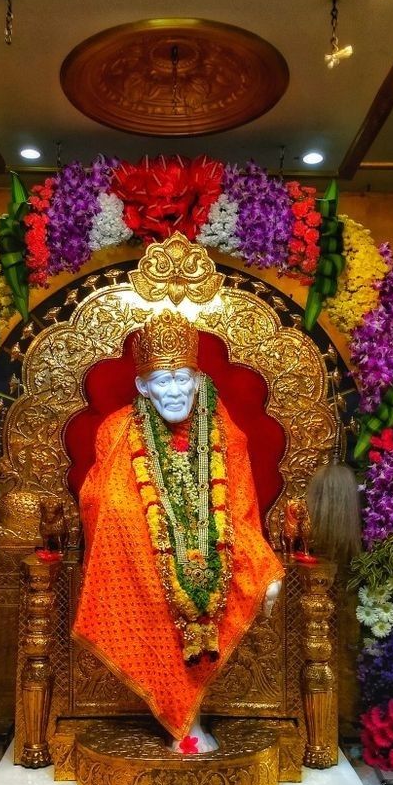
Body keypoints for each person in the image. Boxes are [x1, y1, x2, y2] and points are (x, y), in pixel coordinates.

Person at [72, 310, 283, 751]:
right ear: (142, 387)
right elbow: (102, 501)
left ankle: (194, 716)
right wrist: (148, 539)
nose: (174, 392)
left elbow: (241, 509)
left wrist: (262, 565)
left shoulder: (226, 432)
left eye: (182, 379)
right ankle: (180, 718)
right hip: (141, 564)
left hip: (214, 558)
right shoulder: (115, 430)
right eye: (162, 382)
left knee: (230, 580)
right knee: (155, 585)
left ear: (198, 379)